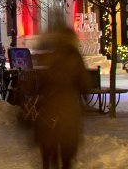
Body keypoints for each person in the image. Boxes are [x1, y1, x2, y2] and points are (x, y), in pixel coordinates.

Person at [31, 25, 91, 169]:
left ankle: (50, 163)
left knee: (49, 147)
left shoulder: (51, 55)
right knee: (67, 150)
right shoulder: (75, 57)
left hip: (50, 108)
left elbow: (40, 83)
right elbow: (84, 83)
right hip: (68, 108)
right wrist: (84, 97)